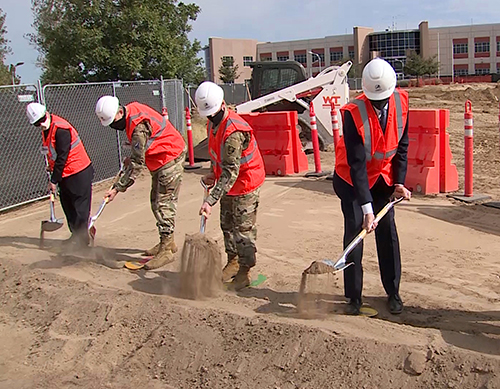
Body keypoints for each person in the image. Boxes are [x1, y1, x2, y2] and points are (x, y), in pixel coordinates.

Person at [333, 58, 412, 315]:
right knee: (357, 230)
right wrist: (367, 209)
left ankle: (393, 291)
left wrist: (399, 182)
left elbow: (402, 147)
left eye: (383, 100)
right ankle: (353, 297)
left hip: (384, 179)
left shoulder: (401, 103)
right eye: (375, 101)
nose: (380, 104)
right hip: (352, 181)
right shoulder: (352, 113)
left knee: (387, 230)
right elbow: (356, 165)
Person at [95, 97, 186, 270]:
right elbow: (142, 149)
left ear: (120, 112)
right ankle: (168, 241)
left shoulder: (137, 127)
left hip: (169, 156)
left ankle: (166, 250)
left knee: (163, 204)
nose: (114, 126)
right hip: (161, 157)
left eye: (113, 122)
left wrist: (117, 188)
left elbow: (138, 164)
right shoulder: (132, 110)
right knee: (156, 202)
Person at [195, 81, 266, 291]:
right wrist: (211, 172)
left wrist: (210, 200)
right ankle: (233, 262)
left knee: (243, 230)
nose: (209, 117)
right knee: (227, 224)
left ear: (222, 105)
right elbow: (217, 153)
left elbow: (231, 172)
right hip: (227, 182)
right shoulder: (213, 123)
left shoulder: (234, 131)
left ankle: (245, 270)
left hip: (245, 181)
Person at [26, 102, 94, 247]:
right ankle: (76, 235)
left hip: (78, 172)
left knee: (80, 209)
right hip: (65, 174)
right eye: (37, 124)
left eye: (42, 121)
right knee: (68, 206)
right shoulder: (46, 129)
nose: (41, 125)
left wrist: (53, 180)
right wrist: (51, 167)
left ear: (46, 114)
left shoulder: (61, 129)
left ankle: (83, 244)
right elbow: (54, 154)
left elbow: (63, 156)